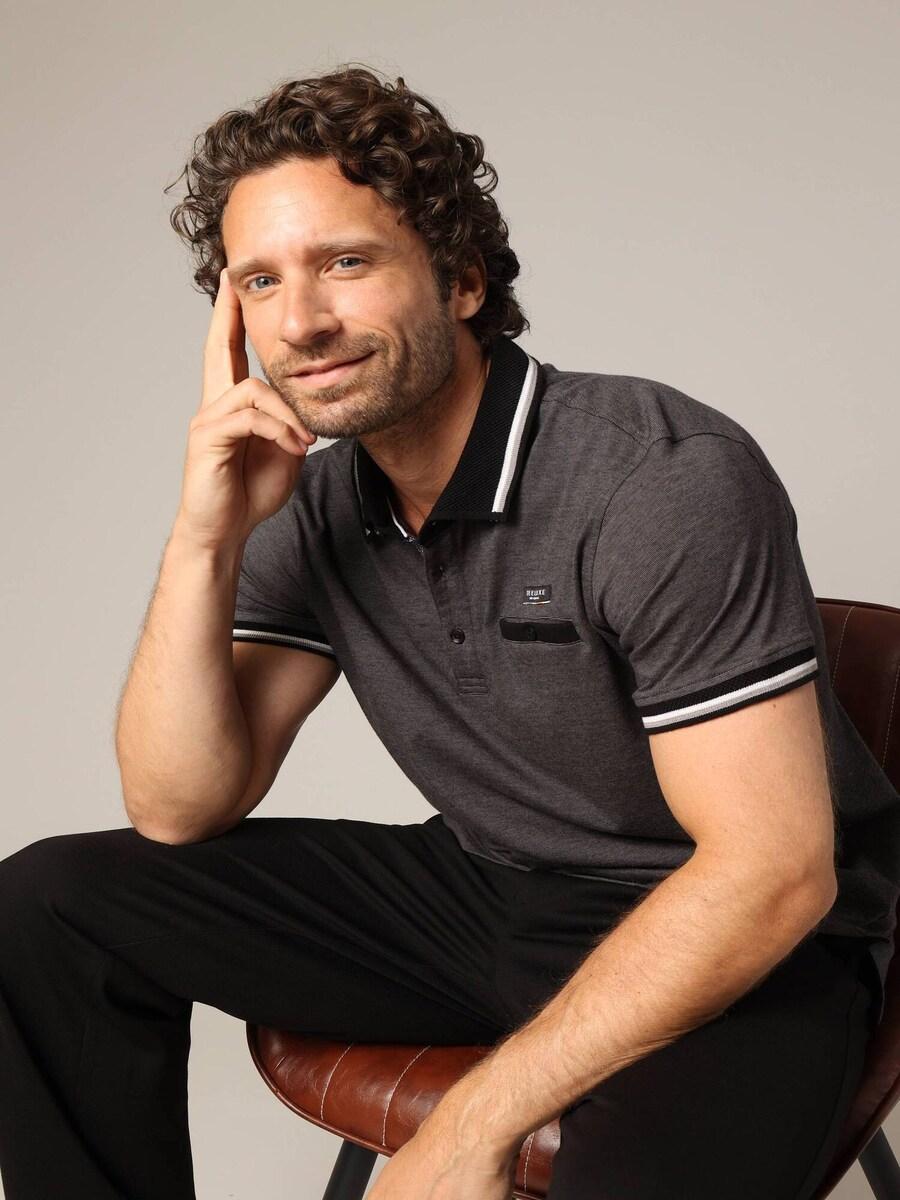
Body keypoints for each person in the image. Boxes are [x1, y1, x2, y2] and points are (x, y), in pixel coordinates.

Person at [1, 63, 898, 1200]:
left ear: (463, 279)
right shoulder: (314, 502)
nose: (301, 322)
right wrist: (203, 535)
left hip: (733, 926)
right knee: (47, 905)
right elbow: (179, 806)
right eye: (261, 281)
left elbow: (773, 874)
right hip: (488, 890)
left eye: (346, 263)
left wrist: (474, 1121)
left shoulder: (659, 478)